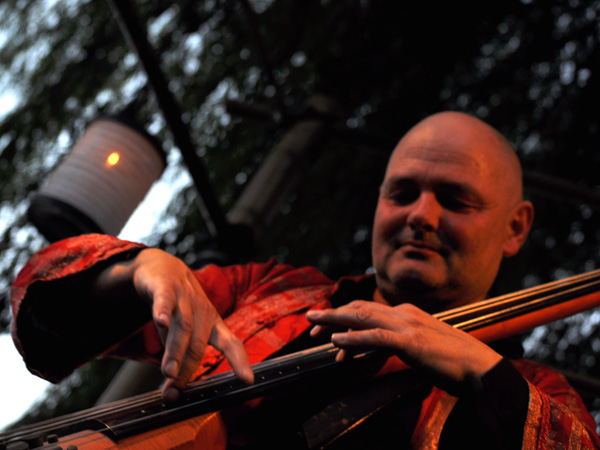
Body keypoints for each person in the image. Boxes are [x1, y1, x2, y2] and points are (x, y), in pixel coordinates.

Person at [10, 111, 600, 449]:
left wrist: (479, 368)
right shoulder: (272, 289)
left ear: (515, 226)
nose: (421, 215)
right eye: (403, 193)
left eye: (455, 199)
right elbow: (43, 322)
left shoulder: (538, 391)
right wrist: (138, 269)